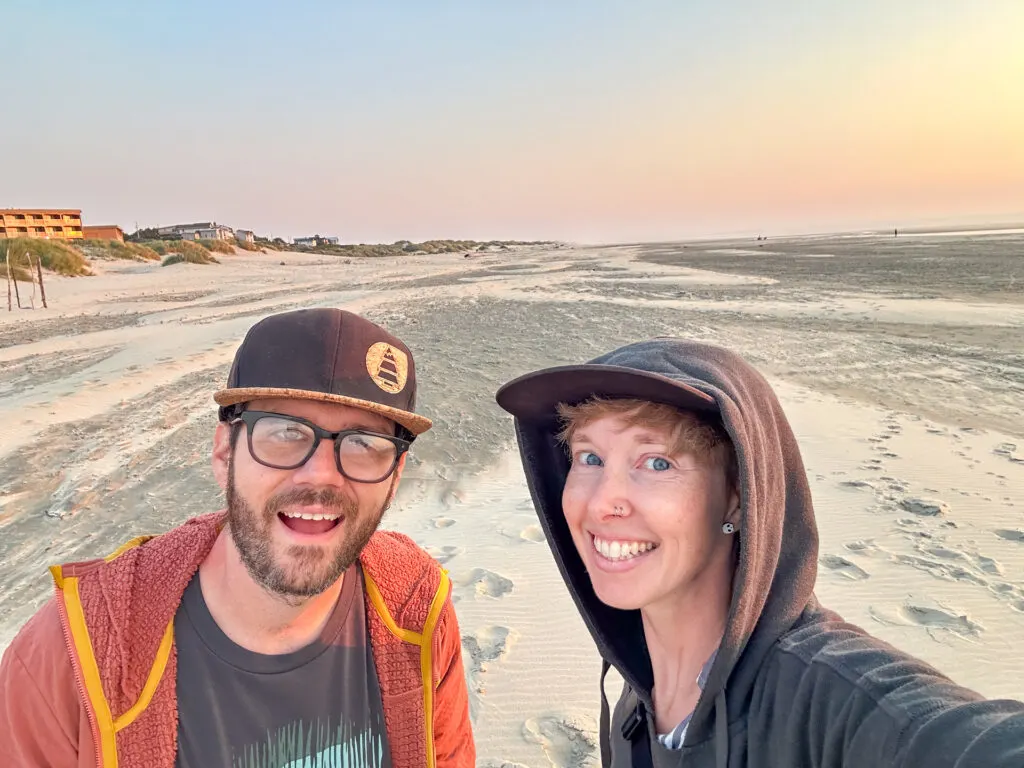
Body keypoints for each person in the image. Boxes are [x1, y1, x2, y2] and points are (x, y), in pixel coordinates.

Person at [495, 338, 1024, 767]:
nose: (604, 499)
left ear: (741, 495)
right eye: (589, 456)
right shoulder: (634, 697)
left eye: (656, 463)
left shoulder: (832, 700)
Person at [0, 308, 475, 768]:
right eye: (285, 432)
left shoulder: (418, 608)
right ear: (225, 450)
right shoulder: (70, 656)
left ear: (395, 476)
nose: (323, 476)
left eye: (365, 444)